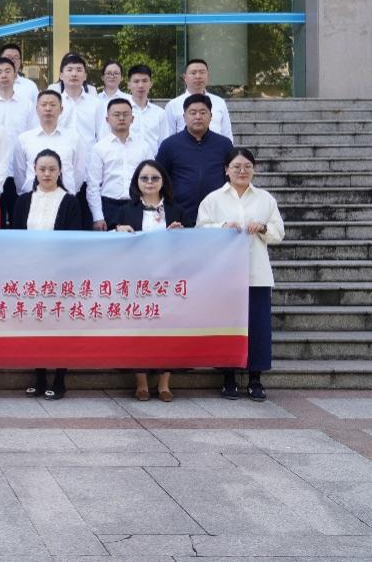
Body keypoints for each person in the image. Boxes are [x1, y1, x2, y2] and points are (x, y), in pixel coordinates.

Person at [197, 148, 284, 402]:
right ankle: (228, 378)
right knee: (227, 327)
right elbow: (200, 231)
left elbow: (278, 233)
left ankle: (255, 379)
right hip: (224, 276)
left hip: (256, 273)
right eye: (236, 167)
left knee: (257, 328)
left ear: (254, 169)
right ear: (226, 170)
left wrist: (263, 228)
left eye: (247, 166)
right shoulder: (213, 199)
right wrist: (222, 227)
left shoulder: (265, 199)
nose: (242, 171)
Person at [112, 160, 187, 403]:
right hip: (137, 279)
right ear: (137, 182)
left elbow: (191, 245)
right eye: (144, 178)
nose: (150, 182)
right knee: (139, 330)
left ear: (163, 181)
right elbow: (110, 244)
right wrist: (117, 232)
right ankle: (142, 383)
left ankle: (164, 383)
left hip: (168, 278)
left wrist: (181, 234)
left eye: (155, 178)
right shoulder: (126, 210)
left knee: (169, 330)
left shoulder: (176, 210)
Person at [12, 149, 84, 401]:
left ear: (60, 171)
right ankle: (40, 378)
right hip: (31, 274)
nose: (47, 173)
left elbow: (73, 242)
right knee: (36, 326)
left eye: (52, 169)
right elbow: (15, 238)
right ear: (34, 170)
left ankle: (60, 379)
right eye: (42, 169)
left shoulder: (70, 201)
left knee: (60, 327)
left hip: (59, 275)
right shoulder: (23, 201)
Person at [154, 94, 234, 227]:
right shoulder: (169, 145)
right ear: (184, 117)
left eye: (203, 112)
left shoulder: (224, 145)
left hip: (216, 217)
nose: (198, 117)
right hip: (179, 216)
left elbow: (231, 178)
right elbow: (159, 178)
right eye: (193, 113)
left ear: (211, 116)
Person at [12, 90, 88, 225]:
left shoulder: (74, 138)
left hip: (65, 201)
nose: (48, 108)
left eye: (53, 105)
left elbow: (79, 171)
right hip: (32, 200)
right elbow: (19, 173)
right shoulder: (24, 139)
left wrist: (67, 190)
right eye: (44, 104)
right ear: (36, 109)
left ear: (61, 109)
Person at [86, 99, 152, 230]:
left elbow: (152, 178)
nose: (121, 118)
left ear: (132, 118)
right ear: (107, 119)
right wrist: (98, 216)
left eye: (125, 114)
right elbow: (93, 185)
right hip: (109, 206)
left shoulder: (143, 147)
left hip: (138, 205)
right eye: (116, 115)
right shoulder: (99, 148)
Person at [164, 58, 234, 141]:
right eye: (193, 73)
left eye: (202, 72)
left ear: (208, 76)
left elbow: (227, 135)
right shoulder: (173, 105)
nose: (198, 76)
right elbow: (168, 137)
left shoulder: (219, 102)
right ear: (185, 77)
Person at [51, 53, 101, 143]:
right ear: (61, 76)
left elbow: (102, 135)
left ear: (85, 76)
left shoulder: (96, 104)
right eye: (69, 70)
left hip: (89, 152)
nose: (74, 74)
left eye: (79, 70)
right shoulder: (53, 104)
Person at [0, 57, 35, 137]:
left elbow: (33, 132)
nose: (4, 75)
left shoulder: (27, 105)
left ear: (14, 76)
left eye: (8, 71)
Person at [124, 64, 169, 149]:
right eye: (136, 81)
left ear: (151, 84)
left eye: (145, 81)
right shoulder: (121, 112)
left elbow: (164, 143)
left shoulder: (160, 113)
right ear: (129, 85)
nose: (141, 85)